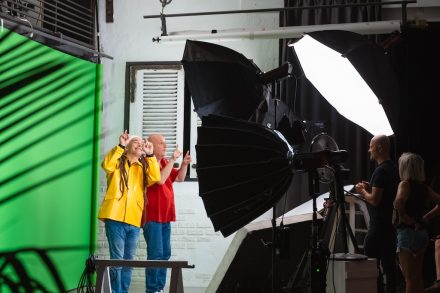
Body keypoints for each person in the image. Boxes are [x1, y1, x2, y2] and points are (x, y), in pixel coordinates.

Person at [98, 131, 160, 293]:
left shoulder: (143, 166)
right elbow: (106, 165)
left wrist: (151, 154)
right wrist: (120, 145)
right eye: (136, 142)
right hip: (115, 216)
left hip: (134, 218)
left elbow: (155, 178)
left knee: (129, 262)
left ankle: (122, 291)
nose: (140, 144)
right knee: (117, 261)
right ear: (127, 147)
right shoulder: (117, 162)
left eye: (142, 142)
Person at [142, 134, 192, 293]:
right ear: (152, 145)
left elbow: (180, 178)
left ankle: (159, 288)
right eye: (162, 143)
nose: (165, 146)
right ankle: (152, 289)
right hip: (152, 217)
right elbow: (161, 180)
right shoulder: (147, 163)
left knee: (165, 254)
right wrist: (172, 159)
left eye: (165, 143)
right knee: (155, 254)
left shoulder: (163, 162)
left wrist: (183, 164)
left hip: (165, 217)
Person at [355, 134, 400, 293]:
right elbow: (384, 196)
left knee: (371, 266)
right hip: (389, 227)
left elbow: (374, 200)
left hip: (378, 227)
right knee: (389, 267)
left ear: (379, 148)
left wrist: (362, 191)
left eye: (371, 146)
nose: (368, 150)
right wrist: (369, 189)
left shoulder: (380, 171)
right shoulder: (393, 169)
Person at [394, 152, 440, 293]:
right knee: (417, 278)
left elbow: (399, 201)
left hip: (407, 234)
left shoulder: (404, 184)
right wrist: (426, 217)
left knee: (409, 279)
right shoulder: (424, 188)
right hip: (421, 234)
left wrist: (403, 216)